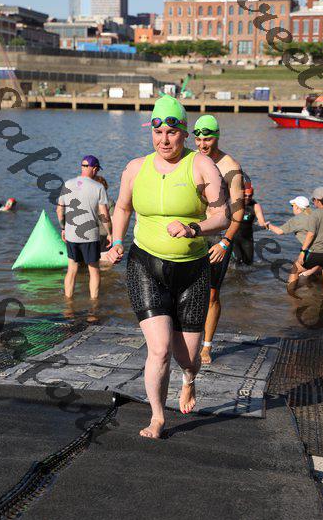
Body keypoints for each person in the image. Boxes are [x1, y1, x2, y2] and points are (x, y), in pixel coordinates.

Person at [106, 96, 228, 439]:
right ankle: (158, 417)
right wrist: (116, 241)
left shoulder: (202, 166)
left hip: (192, 271)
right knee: (159, 350)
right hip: (146, 265)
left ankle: (189, 379)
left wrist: (194, 228)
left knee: (187, 357)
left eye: (171, 132)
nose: (164, 139)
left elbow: (222, 216)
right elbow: (122, 208)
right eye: (157, 132)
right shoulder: (135, 168)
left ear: (184, 133)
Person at [192, 114, 245, 365]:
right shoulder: (191, 160)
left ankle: (206, 345)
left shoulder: (230, 166)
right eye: (199, 139)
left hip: (217, 239)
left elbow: (238, 211)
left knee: (212, 294)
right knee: (183, 290)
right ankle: (184, 337)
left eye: (208, 139)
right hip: (193, 232)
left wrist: (226, 242)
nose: (203, 144)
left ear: (217, 137)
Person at [57, 155, 111, 300]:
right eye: (97, 170)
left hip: (71, 235)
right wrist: (109, 233)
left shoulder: (67, 184)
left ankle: (68, 302)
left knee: (72, 270)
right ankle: (94, 304)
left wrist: (63, 228)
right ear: (94, 168)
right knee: (94, 270)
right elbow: (104, 214)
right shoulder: (98, 187)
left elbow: (59, 210)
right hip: (90, 236)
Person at [267, 196, 320, 290]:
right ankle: (314, 283)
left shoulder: (297, 220)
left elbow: (279, 231)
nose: (292, 208)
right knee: (315, 272)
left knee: (294, 269)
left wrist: (268, 226)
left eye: (292, 206)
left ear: (296, 207)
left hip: (313, 251)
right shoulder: (316, 214)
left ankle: (290, 292)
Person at [292, 187, 323, 294]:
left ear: (317, 200)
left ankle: (291, 295)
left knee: (295, 269)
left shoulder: (315, 214)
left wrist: (303, 252)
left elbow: (311, 234)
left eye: (313, 200)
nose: (313, 202)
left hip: (316, 252)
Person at [232, 184, 268, 265]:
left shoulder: (255, 206)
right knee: (237, 260)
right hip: (234, 238)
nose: (247, 197)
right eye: (245, 195)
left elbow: (261, 221)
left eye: (250, 195)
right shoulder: (235, 204)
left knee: (249, 263)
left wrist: (264, 224)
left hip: (247, 239)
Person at [95, 175, 115, 253]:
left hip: (88, 235)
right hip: (104, 236)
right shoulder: (109, 202)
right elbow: (113, 221)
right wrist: (112, 235)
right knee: (105, 258)